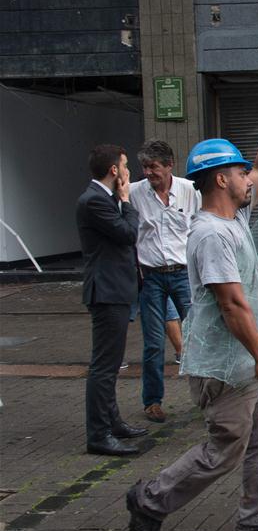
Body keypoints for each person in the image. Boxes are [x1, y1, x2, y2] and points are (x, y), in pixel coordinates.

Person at [126, 89, 258, 531]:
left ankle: (257, 523)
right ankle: (150, 500)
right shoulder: (209, 235)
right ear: (222, 179)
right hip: (225, 366)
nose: (251, 178)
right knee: (225, 448)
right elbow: (231, 305)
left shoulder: (237, 214)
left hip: (251, 360)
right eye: (241, 172)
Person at [76, 144, 148, 456]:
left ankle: (113, 422)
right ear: (114, 171)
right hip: (106, 291)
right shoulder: (95, 201)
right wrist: (127, 200)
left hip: (116, 288)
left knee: (110, 364)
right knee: (104, 367)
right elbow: (128, 233)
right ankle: (99, 435)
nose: (129, 172)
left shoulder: (102, 199)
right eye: (126, 165)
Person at [130, 140, 200, 423]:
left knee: (198, 336)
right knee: (154, 343)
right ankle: (152, 402)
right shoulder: (134, 193)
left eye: (154, 167)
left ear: (169, 165)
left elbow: (200, 223)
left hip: (183, 273)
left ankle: (207, 394)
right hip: (152, 276)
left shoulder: (189, 189)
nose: (149, 172)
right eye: (145, 167)